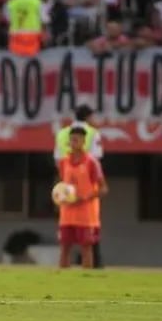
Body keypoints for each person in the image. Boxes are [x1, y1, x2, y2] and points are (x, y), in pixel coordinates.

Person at [55, 104, 104, 267]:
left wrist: (85, 196)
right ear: (88, 117)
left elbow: (101, 184)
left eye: (76, 139)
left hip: (86, 209)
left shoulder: (61, 133)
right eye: (72, 139)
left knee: (86, 246)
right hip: (68, 208)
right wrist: (62, 194)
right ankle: (63, 278)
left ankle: (87, 276)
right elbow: (62, 176)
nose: (73, 141)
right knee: (65, 246)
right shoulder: (93, 133)